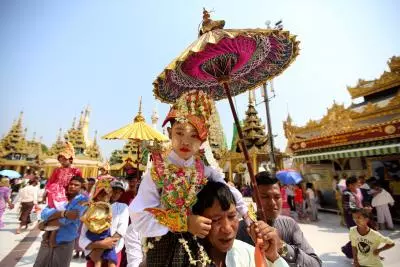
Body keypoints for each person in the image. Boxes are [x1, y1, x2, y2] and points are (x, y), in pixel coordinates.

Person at [130, 90, 249, 266]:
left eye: (194, 135)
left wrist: (249, 218)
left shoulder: (205, 170)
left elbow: (231, 193)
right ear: (169, 133)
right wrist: (184, 222)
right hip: (164, 248)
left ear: (203, 139)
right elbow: (140, 216)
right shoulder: (157, 172)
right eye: (179, 133)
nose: (186, 141)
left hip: (200, 245)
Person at [191, 181, 290, 266]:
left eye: (232, 216)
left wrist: (273, 257)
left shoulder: (247, 254)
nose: (227, 228)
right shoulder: (184, 257)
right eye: (216, 219)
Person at [237, 171, 322, 267]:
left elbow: (315, 264)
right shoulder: (240, 230)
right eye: (265, 197)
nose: (273, 203)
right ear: (254, 198)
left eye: (277, 197)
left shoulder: (289, 224)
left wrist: (281, 246)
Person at [33, 176, 88, 267]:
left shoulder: (82, 200)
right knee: (40, 264)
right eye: (71, 184)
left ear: (81, 187)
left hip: (64, 241)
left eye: (76, 185)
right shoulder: (60, 196)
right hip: (47, 238)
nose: (72, 186)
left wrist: (45, 223)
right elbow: (44, 214)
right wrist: (64, 213)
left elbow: (66, 220)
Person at [80, 179, 129, 267]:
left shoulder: (123, 207)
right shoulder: (93, 207)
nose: (116, 194)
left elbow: (121, 231)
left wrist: (101, 247)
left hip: (113, 250)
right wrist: (97, 245)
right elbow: (83, 237)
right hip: (93, 253)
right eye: (114, 191)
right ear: (108, 191)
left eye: (119, 193)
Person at [46, 141, 82, 210]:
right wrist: (46, 192)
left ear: (70, 160)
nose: (62, 162)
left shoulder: (76, 170)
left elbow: (79, 182)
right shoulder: (57, 170)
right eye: (60, 160)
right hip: (57, 193)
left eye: (64, 160)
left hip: (71, 192)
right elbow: (51, 182)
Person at [341, 176, 362, 259]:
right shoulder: (347, 194)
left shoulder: (354, 192)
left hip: (357, 217)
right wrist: (362, 210)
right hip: (351, 218)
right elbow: (348, 208)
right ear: (350, 185)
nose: (358, 185)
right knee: (357, 235)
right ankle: (347, 249)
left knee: (358, 235)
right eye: (356, 184)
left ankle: (349, 250)